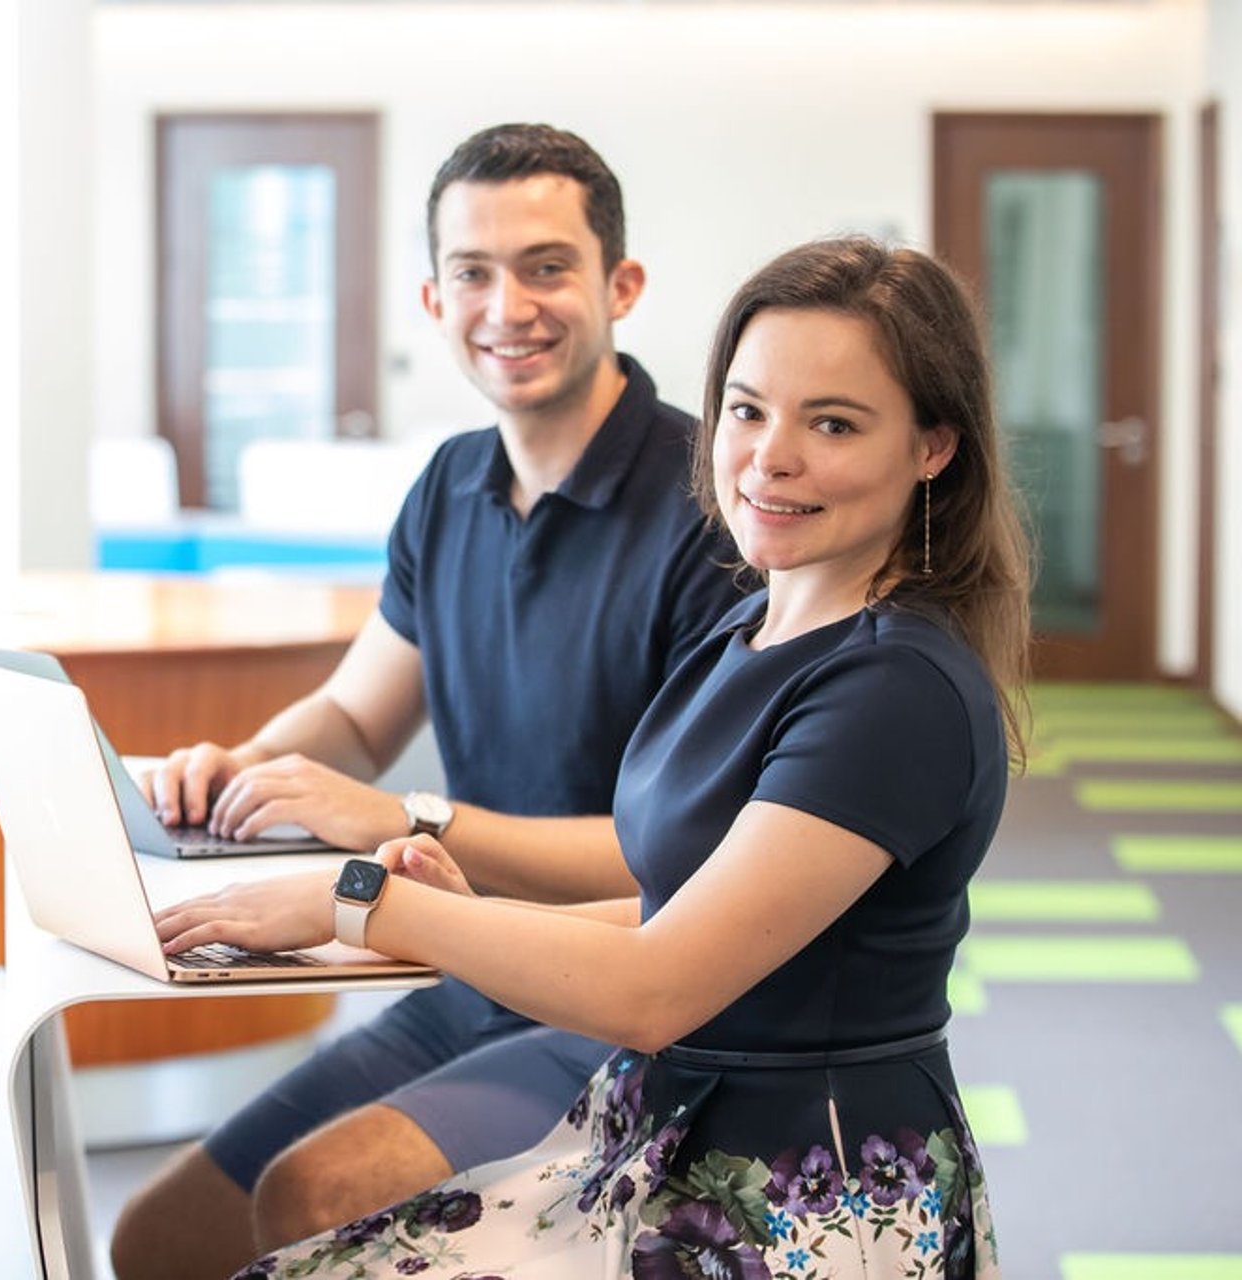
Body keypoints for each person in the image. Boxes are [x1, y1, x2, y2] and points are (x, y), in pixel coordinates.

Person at [155, 235, 1027, 1278]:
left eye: (831, 422)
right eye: (747, 410)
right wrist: (465, 913)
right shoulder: (749, 629)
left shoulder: (895, 690)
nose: (769, 455)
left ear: (933, 447)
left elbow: (659, 984)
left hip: (800, 1185)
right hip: (672, 1126)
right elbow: (674, 904)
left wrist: (357, 901)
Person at [108, 124, 745, 1280]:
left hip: (625, 997)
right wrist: (240, 761)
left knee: (319, 1192)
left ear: (622, 284)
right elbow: (354, 716)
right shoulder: (450, 484)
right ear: (433, 295)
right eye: (474, 272)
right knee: (162, 1239)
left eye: (547, 266)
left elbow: (687, 865)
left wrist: (409, 821)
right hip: (468, 969)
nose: (510, 304)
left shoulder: (711, 513)